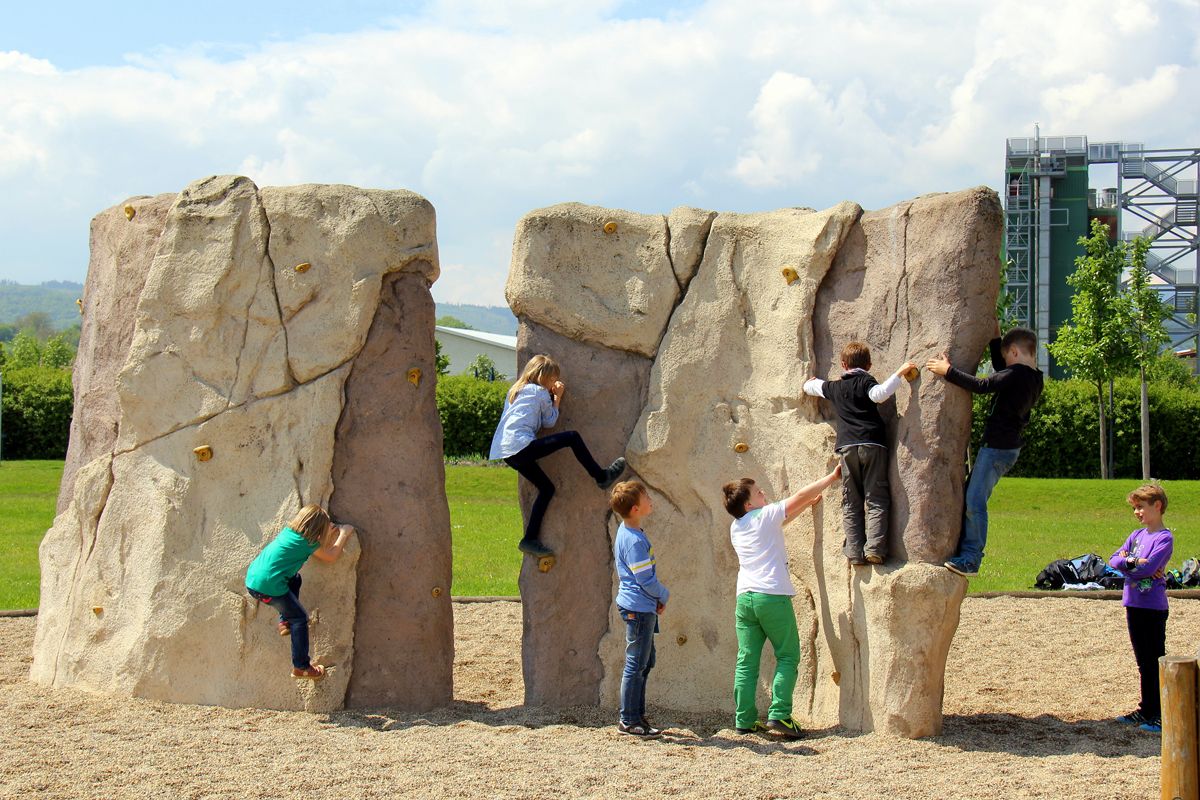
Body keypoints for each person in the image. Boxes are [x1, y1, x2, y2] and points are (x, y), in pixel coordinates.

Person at [722, 464, 842, 739]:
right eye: (759, 492)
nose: (764, 494)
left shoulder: (737, 526)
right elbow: (798, 496)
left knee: (746, 660)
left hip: (745, 599)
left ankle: (744, 719)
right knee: (788, 655)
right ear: (749, 502)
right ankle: (780, 715)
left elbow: (781, 520)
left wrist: (805, 505)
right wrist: (830, 478)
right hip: (771, 596)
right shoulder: (764, 515)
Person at [926, 325, 1043, 577]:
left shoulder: (1016, 375)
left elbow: (982, 385)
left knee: (975, 501)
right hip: (1006, 448)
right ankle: (964, 549)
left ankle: (971, 558)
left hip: (997, 449)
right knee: (971, 495)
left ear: (1013, 352)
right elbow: (1003, 372)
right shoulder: (1033, 377)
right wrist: (994, 335)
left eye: (1005, 356)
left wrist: (948, 371)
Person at [489, 354, 627, 558]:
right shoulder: (540, 392)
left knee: (546, 488)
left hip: (506, 451)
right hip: (521, 446)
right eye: (553, 379)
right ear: (544, 377)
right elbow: (550, 421)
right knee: (572, 437)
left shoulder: (514, 390)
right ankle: (601, 476)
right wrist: (557, 397)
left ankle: (529, 539)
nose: (555, 382)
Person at [803, 342, 916, 565]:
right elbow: (880, 394)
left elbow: (809, 387)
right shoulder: (866, 381)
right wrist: (900, 373)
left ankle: (854, 551)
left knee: (851, 499)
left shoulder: (834, 387)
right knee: (876, 497)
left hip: (847, 447)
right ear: (869, 365)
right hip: (873, 444)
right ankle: (874, 547)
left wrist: (813, 383)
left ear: (844, 365)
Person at [245, 504, 354, 679]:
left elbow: (313, 545)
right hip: (269, 588)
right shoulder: (307, 544)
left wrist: (326, 532)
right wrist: (343, 534)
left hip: (253, 582)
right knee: (300, 619)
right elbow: (330, 556)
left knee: (295, 579)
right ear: (318, 529)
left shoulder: (289, 533)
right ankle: (301, 667)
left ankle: (285, 621)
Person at [1110, 484, 1173, 734]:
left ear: (1157, 506)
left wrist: (1134, 565)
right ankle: (1146, 709)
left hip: (1153, 607)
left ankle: (1159, 714)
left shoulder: (1164, 538)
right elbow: (1114, 560)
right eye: (1135, 508)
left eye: (1141, 507)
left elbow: (1150, 570)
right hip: (1133, 603)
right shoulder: (1136, 536)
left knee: (1154, 661)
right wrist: (1134, 561)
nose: (1137, 512)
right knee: (1142, 663)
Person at [611, 480, 669, 738]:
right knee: (636, 664)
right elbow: (644, 579)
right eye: (646, 496)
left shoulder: (630, 531)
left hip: (642, 606)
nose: (650, 499)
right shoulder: (634, 540)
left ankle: (636, 714)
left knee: (646, 661)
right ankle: (629, 719)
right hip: (638, 608)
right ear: (635, 508)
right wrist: (664, 595)